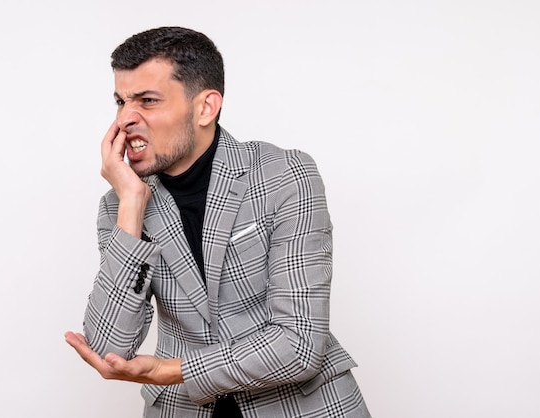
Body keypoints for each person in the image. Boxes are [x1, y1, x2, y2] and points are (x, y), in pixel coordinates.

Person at [65, 26, 371, 418]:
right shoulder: (120, 206)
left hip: (301, 407)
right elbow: (108, 349)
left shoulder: (284, 176)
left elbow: (299, 345)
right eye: (121, 101)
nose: (126, 119)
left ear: (206, 107)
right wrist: (131, 205)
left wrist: (170, 370)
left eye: (147, 100)